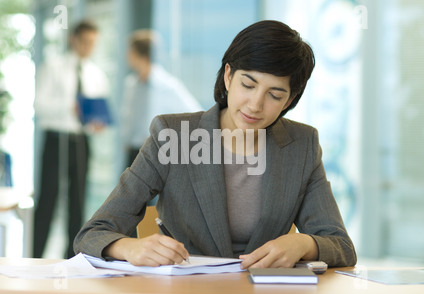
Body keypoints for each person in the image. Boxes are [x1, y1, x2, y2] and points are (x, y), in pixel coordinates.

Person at [74, 20, 357, 269]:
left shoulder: (301, 145)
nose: (255, 105)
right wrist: (129, 248)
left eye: (274, 94)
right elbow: (92, 233)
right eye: (248, 84)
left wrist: (304, 244)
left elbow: (341, 246)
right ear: (228, 76)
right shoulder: (173, 135)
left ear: (290, 100)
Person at [34, 20, 109, 258]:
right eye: (85, 41)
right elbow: (40, 105)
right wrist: (70, 108)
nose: (88, 47)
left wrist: (97, 123)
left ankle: (72, 257)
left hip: (80, 141)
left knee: (77, 201)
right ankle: (35, 254)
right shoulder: (53, 66)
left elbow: (99, 112)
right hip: (57, 139)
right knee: (48, 199)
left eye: (93, 43)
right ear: (73, 39)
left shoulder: (95, 74)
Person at [121, 30, 201, 168]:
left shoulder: (167, 85)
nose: (127, 55)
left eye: (130, 50)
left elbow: (196, 115)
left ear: (142, 55)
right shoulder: (131, 84)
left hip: (156, 153)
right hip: (134, 152)